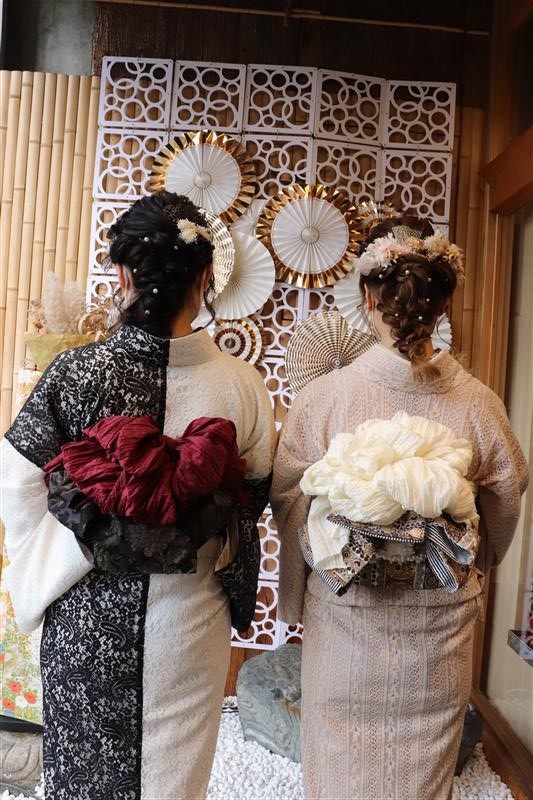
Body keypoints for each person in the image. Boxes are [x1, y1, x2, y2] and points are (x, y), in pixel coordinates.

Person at [0, 191, 276, 800]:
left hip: (84, 614)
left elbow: (16, 480)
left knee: (83, 783)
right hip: (190, 620)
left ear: (123, 276)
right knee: (173, 782)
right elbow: (253, 495)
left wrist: (52, 559)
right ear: (206, 277)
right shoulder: (242, 385)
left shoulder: (76, 373)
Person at [270, 216, 528, 800]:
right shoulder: (480, 405)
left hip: (347, 616)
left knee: (338, 768)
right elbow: (507, 493)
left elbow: (288, 495)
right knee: (421, 773)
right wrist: (474, 559)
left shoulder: (324, 399)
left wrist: (312, 574)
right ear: (443, 303)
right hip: (438, 623)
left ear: (367, 295)